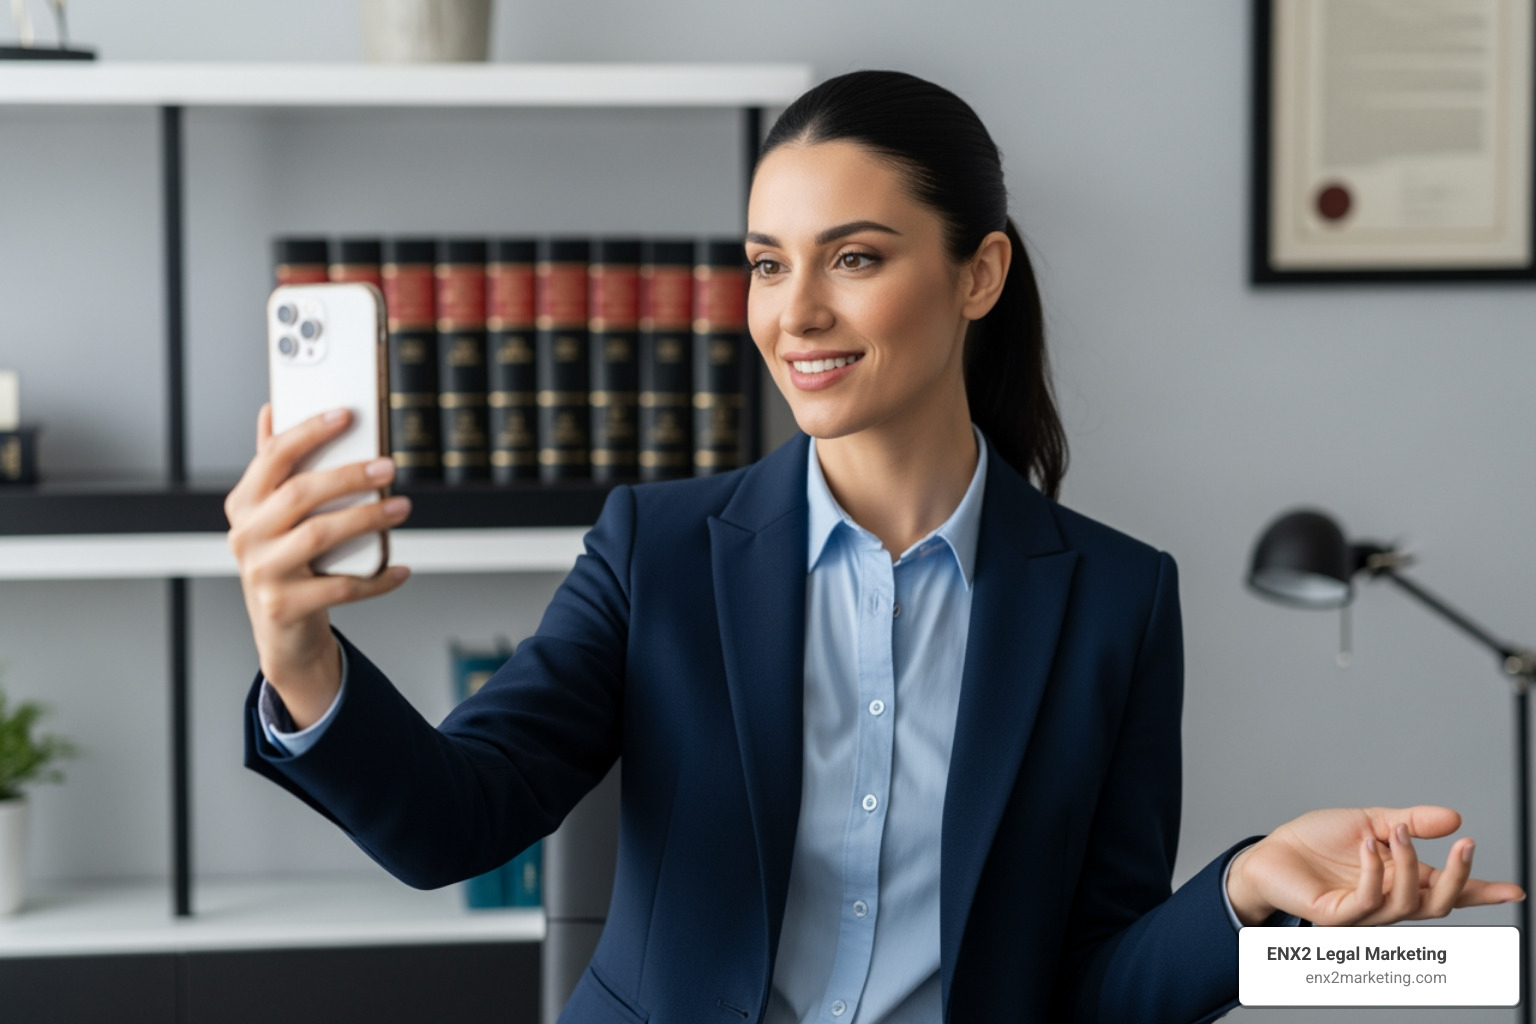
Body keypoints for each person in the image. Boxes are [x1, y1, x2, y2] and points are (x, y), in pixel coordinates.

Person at [225, 70, 1523, 1023]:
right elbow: (454, 823)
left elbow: (1091, 990)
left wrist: (1243, 893)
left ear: (978, 274)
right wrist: (300, 654)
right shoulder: (657, 550)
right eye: (767, 264)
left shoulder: (1118, 600)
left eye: (853, 257)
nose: (797, 313)